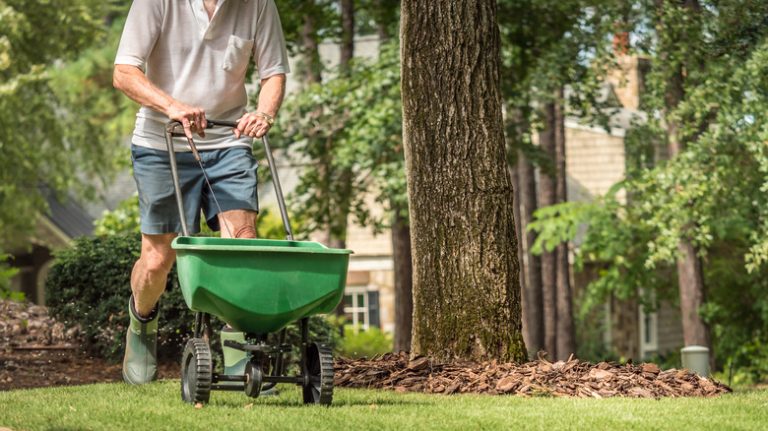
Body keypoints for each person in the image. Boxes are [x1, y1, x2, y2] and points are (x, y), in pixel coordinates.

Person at [113, 0, 289, 385]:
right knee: (158, 258)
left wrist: (264, 113)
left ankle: (238, 349)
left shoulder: (258, 4)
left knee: (240, 244)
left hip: (229, 140)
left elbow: (273, 72)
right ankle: (141, 323)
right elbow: (124, 73)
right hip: (162, 142)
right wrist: (172, 105)